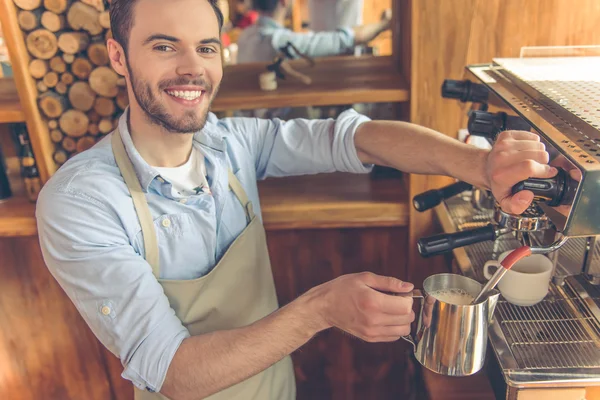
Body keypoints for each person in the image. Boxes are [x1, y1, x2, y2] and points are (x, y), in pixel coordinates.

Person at [35, 0, 558, 399]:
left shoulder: (229, 144)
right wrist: (321, 309)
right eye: (164, 46)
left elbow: (352, 137)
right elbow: (173, 371)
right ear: (118, 56)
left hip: (274, 387)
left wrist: (479, 166)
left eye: (206, 47)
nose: (192, 68)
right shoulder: (82, 202)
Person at [236, 0, 391, 63]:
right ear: (283, 1)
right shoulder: (278, 40)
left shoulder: (244, 36)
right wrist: (385, 23)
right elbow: (347, 39)